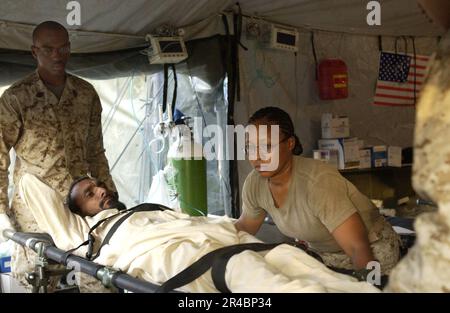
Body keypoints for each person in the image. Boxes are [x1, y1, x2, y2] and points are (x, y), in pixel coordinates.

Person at [17, 173, 380, 293]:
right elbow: (31, 185)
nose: (101, 192)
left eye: (98, 185)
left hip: (232, 242)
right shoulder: (88, 233)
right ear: (80, 212)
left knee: (313, 270)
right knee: (288, 289)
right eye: (89, 195)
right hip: (201, 261)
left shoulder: (145, 208)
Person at [0, 21, 116, 291]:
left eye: (63, 48)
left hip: (83, 206)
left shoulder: (85, 94)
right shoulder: (16, 98)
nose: (56, 55)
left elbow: (96, 152)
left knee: (99, 279)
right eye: (48, 49)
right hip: (35, 211)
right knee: (38, 281)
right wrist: (0, 209)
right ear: (33, 52)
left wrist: (111, 198)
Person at [234, 107, 400, 275]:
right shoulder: (255, 183)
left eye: (267, 146)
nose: (257, 157)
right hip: (324, 255)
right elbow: (244, 227)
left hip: (372, 252)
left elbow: (357, 247)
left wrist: (370, 285)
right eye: (250, 148)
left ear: (290, 143)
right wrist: (212, 239)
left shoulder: (317, 181)